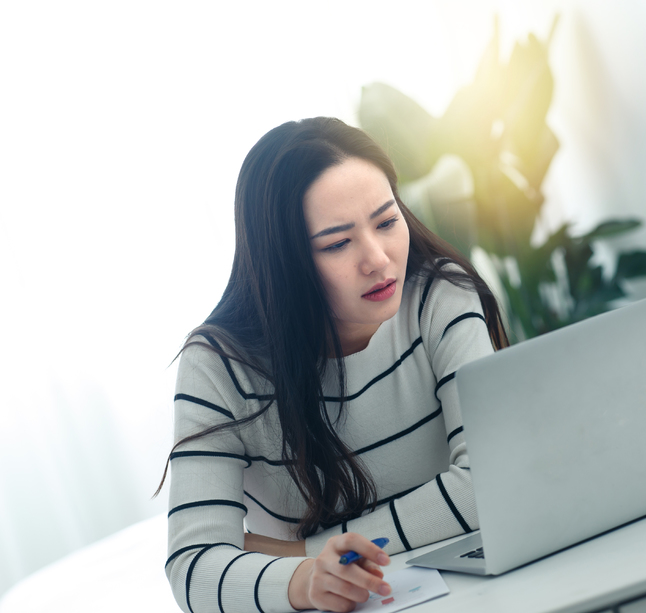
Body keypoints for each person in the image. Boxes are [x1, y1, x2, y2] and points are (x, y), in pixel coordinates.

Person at [159, 117, 508, 613]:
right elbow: (193, 567)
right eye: (337, 243)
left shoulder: (440, 295)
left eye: (387, 222)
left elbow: (491, 482)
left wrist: (300, 554)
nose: (379, 259)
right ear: (284, 263)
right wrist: (305, 582)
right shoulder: (219, 367)